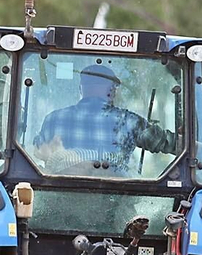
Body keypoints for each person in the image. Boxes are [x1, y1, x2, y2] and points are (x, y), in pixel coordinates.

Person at [33, 64, 178, 175]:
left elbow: (40, 152)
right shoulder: (129, 121)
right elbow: (170, 144)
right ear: (112, 90)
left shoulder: (53, 119)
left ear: (81, 88)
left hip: (58, 198)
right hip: (116, 203)